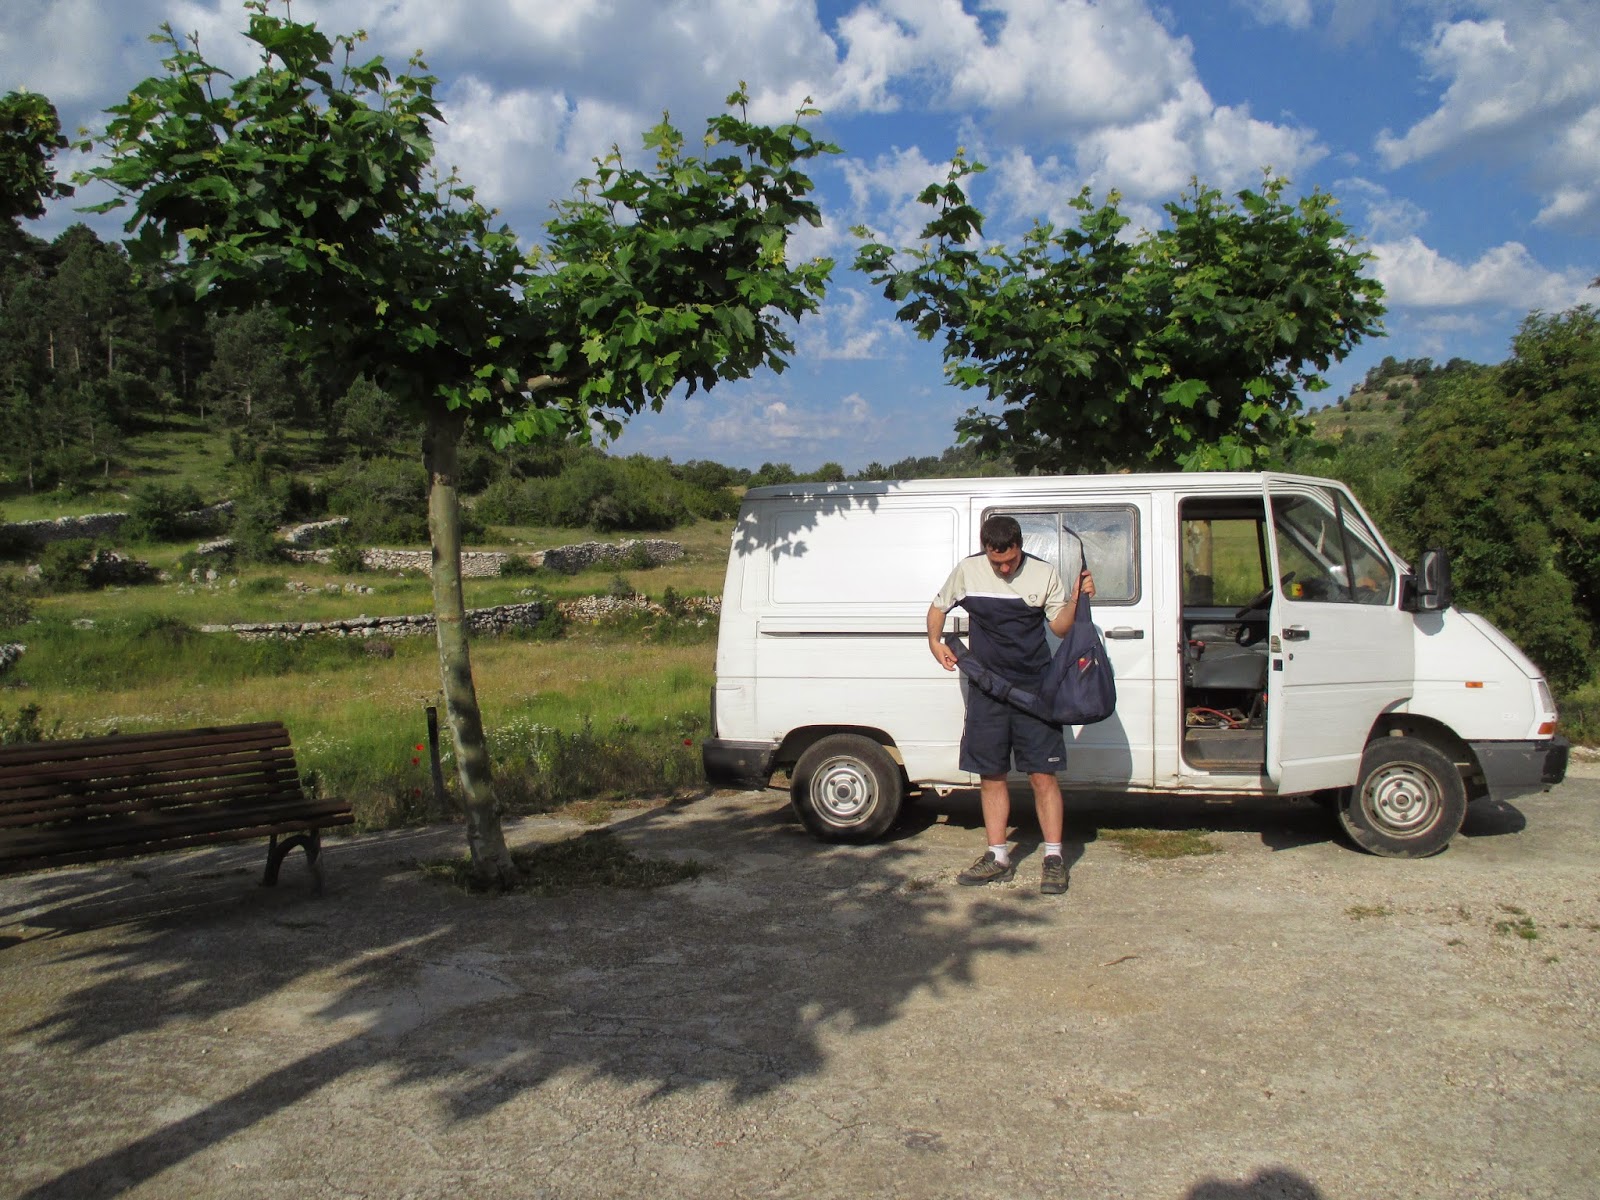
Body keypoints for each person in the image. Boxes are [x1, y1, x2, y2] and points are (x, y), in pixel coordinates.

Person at [927, 515, 1094, 894]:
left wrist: (1075, 600)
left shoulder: (1043, 572)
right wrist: (934, 642)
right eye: (996, 561)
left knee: (1042, 776)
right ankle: (998, 856)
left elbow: (1060, 628)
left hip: (1035, 690)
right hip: (987, 690)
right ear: (985, 548)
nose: (1004, 568)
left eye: (1010, 560)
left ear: (1019, 547)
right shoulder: (968, 570)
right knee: (992, 774)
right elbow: (938, 608)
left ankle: (1053, 858)